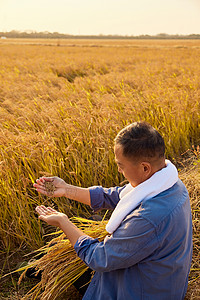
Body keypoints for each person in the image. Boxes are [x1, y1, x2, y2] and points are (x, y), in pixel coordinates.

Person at [34, 121, 193, 300]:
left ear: (144, 168)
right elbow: (117, 195)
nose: (118, 169)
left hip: (143, 292)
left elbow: (100, 258)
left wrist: (63, 221)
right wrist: (66, 189)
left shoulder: (148, 218)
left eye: (121, 165)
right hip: (165, 280)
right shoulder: (171, 184)